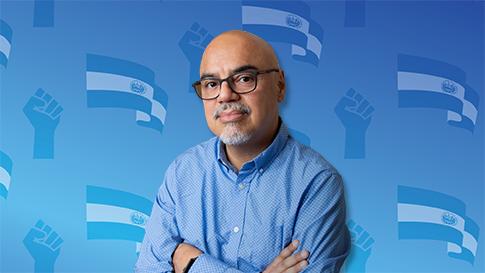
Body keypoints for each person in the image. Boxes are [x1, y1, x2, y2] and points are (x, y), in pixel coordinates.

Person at [135, 30, 350, 273]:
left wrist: (194, 263)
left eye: (244, 78)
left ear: (279, 86)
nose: (225, 95)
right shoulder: (182, 172)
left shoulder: (317, 183)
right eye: (211, 84)